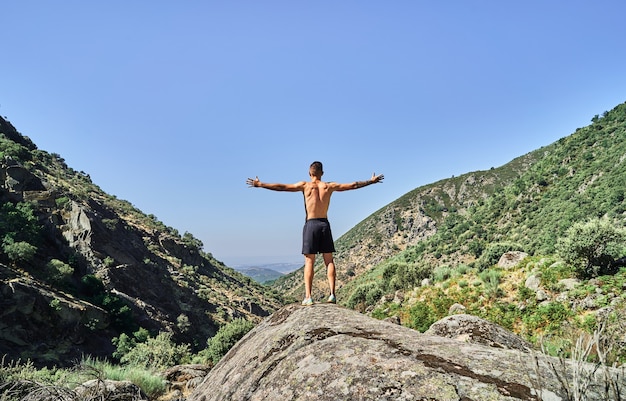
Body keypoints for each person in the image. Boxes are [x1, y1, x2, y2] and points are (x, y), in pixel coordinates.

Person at [246, 161, 384, 306]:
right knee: (329, 260)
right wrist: (371, 181)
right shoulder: (329, 186)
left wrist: (261, 184)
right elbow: (353, 185)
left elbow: (282, 187)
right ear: (322, 173)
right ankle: (332, 294)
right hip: (324, 224)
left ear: (309, 173)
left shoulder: (305, 186)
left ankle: (308, 296)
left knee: (309, 260)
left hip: (311, 224)